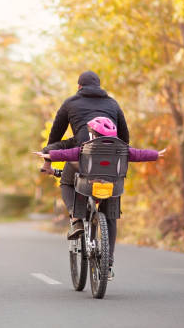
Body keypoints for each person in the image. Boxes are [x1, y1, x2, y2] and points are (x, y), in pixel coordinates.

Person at [36, 116, 166, 280]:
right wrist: (155, 155)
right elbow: (138, 154)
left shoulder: (85, 148)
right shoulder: (122, 149)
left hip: (87, 187)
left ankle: (77, 219)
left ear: (93, 135)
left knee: (76, 188)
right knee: (111, 217)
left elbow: (66, 153)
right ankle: (108, 264)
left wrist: (48, 156)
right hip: (112, 189)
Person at [41, 71, 129, 230]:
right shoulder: (113, 104)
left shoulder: (70, 103)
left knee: (67, 183)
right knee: (110, 213)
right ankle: (108, 255)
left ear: (79, 86)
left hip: (82, 158)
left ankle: (76, 219)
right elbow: (125, 138)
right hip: (112, 161)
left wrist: (48, 162)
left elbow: (55, 136)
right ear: (99, 86)